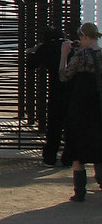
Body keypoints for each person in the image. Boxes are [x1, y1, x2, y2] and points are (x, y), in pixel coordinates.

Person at [59, 22, 102, 202]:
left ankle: (79, 191)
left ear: (85, 37)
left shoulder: (82, 55)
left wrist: (64, 55)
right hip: (98, 105)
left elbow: (64, 76)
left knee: (77, 147)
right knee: (98, 142)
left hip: (80, 106)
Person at [26, 26, 72, 166]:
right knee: (69, 126)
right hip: (71, 90)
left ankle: (50, 157)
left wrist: (33, 51)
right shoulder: (70, 45)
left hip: (55, 90)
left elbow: (31, 65)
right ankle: (68, 158)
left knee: (54, 126)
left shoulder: (46, 47)